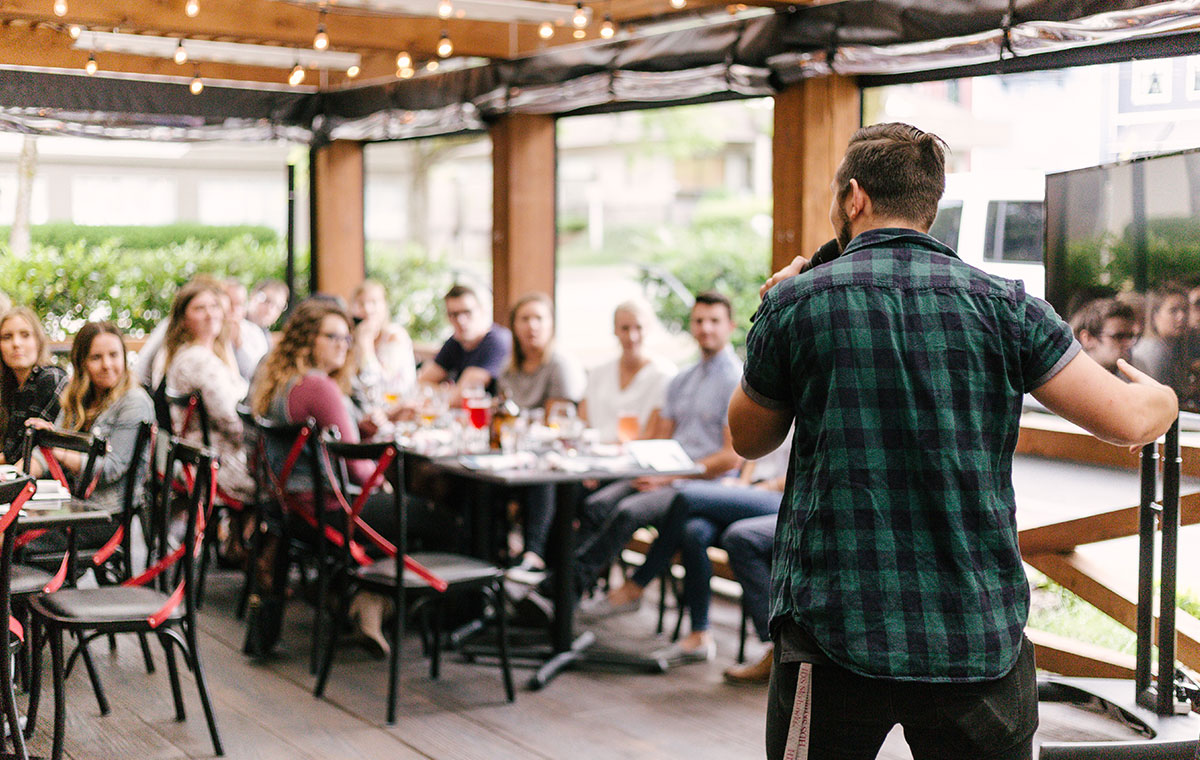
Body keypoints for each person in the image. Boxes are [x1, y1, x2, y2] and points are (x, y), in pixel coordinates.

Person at [734, 122, 1178, 760]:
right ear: (930, 205)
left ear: (853, 198)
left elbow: (749, 437)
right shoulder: (1007, 306)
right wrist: (1160, 397)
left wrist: (771, 312)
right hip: (975, 635)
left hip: (833, 633)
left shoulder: (798, 302)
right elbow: (1131, 422)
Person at [250, 298, 415, 657]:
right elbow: (357, 466)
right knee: (436, 517)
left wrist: (362, 430)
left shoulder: (277, 379)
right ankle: (379, 600)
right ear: (309, 339)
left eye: (347, 338)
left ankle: (363, 595)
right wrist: (384, 483)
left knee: (409, 509)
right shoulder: (318, 386)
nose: (344, 345)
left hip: (290, 511)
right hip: (330, 510)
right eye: (333, 337)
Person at [572, 291, 742, 616]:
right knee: (596, 504)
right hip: (665, 474)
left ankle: (566, 589)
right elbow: (659, 439)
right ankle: (576, 591)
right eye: (699, 321)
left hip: (702, 484)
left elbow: (729, 458)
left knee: (627, 512)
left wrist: (670, 476)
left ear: (730, 326)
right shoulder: (682, 378)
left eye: (714, 321)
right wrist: (647, 470)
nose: (705, 328)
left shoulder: (736, 381)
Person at [599, 436, 789, 665]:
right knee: (693, 532)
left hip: (776, 497)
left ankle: (637, 583)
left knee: (685, 497)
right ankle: (700, 635)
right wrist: (742, 483)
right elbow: (748, 457)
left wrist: (751, 487)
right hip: (745, 492)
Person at [24, 322, 154, 551]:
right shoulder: (77, 396)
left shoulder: (134, 401)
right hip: (70, 506)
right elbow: (46, 454)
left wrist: (60, 452)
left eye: (114, 355)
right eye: (96, 357)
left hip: (105, 515)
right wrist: (16, 477)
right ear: (82, 362)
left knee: (17, 544)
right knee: (9, 527)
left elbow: (111, 468)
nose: (107, 365)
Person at [498, 292, 585, 575]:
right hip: (514, 454)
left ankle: (534, 556)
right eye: (525, 319)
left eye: (539, 318)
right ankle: (492, 555)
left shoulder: (560, 365)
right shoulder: (508, 370)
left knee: (540, 473)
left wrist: (518, 424)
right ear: (514, 326)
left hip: (552, 457)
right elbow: (501, 417)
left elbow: (554, 423)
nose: (532, 326)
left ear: (551, 325)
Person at [158, 277, 254, 502]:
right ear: (183, 319)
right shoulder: (197, 360)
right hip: (215, 464)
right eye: (200, 308)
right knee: (284, 486)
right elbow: (232, 421)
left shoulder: (200, 354)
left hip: (203, 459)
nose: (210, 314)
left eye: (214, 306)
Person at [579, 300, 676, 442]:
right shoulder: (598, 373)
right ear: (615, 330)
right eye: (625, 328)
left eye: (638, 327)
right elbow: (583, 422)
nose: (632, 336)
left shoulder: (663, 373)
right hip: (593, 454)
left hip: (636, 458)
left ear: (648, 329)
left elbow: (653, 434)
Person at [0, 307, 67, 465]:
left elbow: (28, 449)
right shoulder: (8, 387)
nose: (16, 344)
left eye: (25, 335)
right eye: (7, 337)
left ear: (38, 341)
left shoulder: (52, 378)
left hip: (46, 481)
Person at [416, 284, 512, 395]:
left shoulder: (497, 340)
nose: (461, 320)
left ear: (482, 311)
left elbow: (463, 396)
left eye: (467, 312)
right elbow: (421, 383)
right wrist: (448, 392)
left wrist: (442, 392)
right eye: (454, 314)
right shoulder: (455, 342)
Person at [349, 279, 416, 413]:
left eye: (374, 302)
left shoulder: (395, 336)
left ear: (384, 306)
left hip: (398, 410)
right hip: (368, 410)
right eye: (361, 303)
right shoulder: (353, 336)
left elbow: (378, 385)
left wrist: (366, 344)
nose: (367, 309)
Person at [1132, 284, 1191, 395]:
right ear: (1155, 315)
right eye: (1173, 311)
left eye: (1185, 309)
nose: (1181, 316)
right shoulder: (1153, 351)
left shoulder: (1171, 347)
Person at [1070, 297, 1138, 374]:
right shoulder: (1068, 380)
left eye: (1130, 336)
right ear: (1087, 339)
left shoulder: (1136, 371)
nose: (1129, 344)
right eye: (1119, 337)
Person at [223, 278, 270, 383]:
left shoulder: (254, 332)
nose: (234, 309)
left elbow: (259, 373)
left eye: (239, 304)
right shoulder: (210, 331)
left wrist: (239, 343)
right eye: (230, 303)